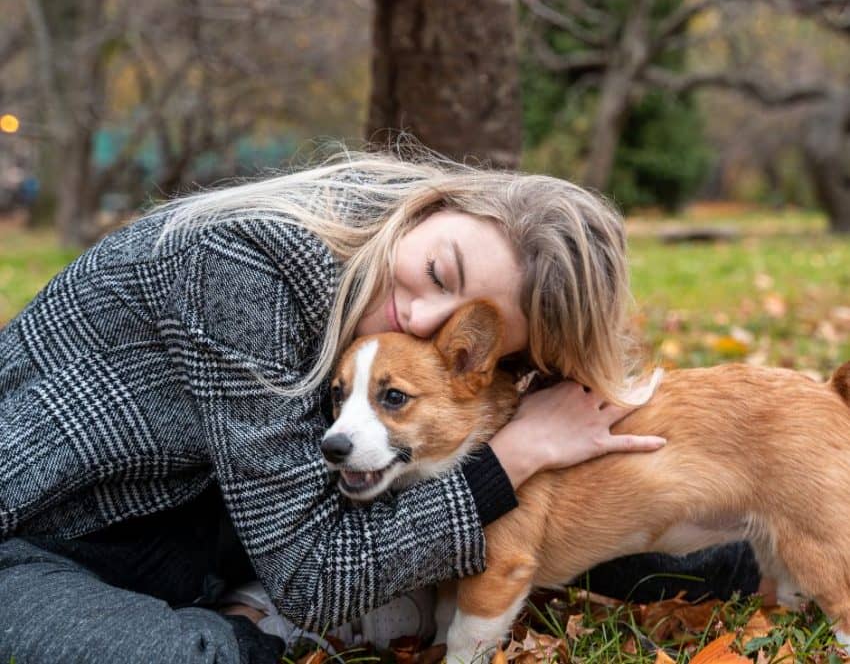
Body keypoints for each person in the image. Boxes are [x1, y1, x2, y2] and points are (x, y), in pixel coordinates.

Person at [0, 152, 758, 663]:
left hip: (206, 529)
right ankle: (241, 629)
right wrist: (516, 453)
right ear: (429, 208)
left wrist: (552, 442)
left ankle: (757, 546)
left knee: (534, 498)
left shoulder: (389, 332)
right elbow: (315, 573)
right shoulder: (243, 264)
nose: (424, 320)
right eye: (438, 268)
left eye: (472, 325)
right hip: (46, 542)